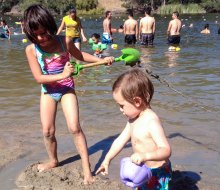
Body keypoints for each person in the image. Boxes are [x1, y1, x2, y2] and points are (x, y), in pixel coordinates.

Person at [23, 4, 113, 184]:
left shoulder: (65, 41)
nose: (41, 38)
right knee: (48, 131)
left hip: (66, 89)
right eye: (36, 35)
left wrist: (101, 60)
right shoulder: (31, 49)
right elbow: (39, 78)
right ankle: (54, 161)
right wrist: (63, 73)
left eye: (44, 33)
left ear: (50, 26)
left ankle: (87, 171)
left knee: (74, 128)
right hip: (48, 91)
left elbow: (80, 56)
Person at [96, 68, 172, 189]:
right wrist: (107, 159)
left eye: (122, 105)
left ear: (137, 101)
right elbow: (120, 140)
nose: (120, 109)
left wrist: (144, 156)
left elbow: (166, 150)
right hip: (141, 171)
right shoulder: (132, 120)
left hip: (157, 172)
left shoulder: (151, 121)